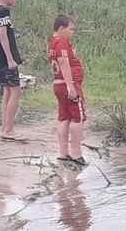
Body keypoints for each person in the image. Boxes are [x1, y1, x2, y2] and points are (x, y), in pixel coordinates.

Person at [48, 14, 87, 165]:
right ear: (61, 28)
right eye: (71, 29)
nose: (72, 33)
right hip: (67, 85)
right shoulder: (63, 42)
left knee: (64, 117)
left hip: (58, 84)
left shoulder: (53, 42)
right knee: (78, 116)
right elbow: (63, 63)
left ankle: (63, 152)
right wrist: (71, 87)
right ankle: (75, 152)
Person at [0, 0, 24, 142]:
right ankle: (8, 129)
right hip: (5, 59)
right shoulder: (3, 13)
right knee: (16, 90)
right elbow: (2, 35)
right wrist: (10, 58)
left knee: (8, 91)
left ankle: (5, 126)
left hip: (1, 60)